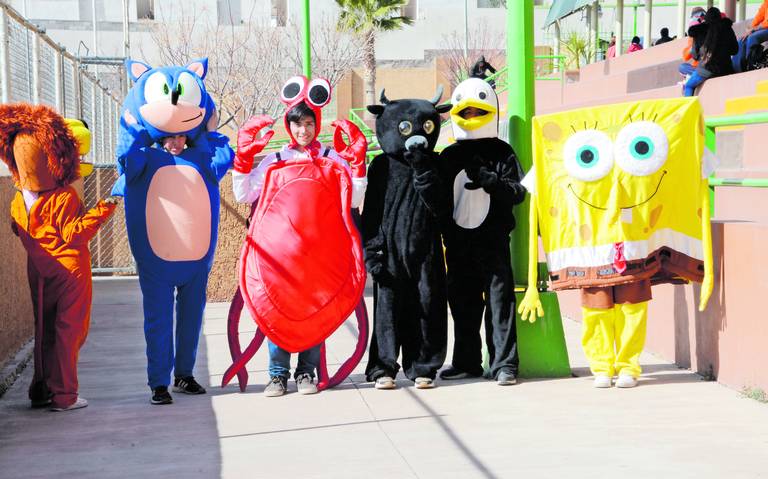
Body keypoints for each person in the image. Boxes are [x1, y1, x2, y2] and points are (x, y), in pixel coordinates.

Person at [113, 58, 235, 406]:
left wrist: (210, 131)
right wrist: (133, 124)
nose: (176, 142)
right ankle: (158, 383)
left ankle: (184, 374)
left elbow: (224, 156)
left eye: (181, 135)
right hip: (157, 259)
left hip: (196, 258)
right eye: (169, 135)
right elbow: (126, 154)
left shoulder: (202, 159)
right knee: (158, 321)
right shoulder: (145, 160)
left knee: (191, 318)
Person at [232, 88, 367, 397]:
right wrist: (243, 159)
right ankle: (277, 375)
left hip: (320, 255)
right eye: (296, 124)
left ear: (316, 123)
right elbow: (244, 195)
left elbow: (355, 199)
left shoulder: (333, 158)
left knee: (314, 310)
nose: (302, 130)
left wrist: (358, 164)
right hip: (280, 257)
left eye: (308, 123)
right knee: (277, 311)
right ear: (288, 126)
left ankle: (307, 372)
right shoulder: (276, 159)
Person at [0, 104, 117, 411]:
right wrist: (106, 207)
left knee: (44, 330)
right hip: (70, 272)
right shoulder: (64, 197)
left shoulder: (17, 201)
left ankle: (41, 389)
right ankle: (65, 395)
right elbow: (75, 233)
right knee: (69, 331)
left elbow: (17, 229)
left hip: (38, 271)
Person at [437, 78, 526, 386]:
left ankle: (504, 363)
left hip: (493, 241)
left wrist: (492, 181)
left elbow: (518, 193)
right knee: (462, 304)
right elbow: (437, 201)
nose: (472, 118)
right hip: (458, 244)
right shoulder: (447, 156)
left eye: (478, 112)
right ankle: (466, 361)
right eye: (467, 112)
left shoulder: (503, 152)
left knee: (500, 304)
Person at [683, 7, 738, 97]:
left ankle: (689, 109)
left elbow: (695, 55)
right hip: (726, 69)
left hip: (706, 70)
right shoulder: (727, 28)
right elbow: (735, 50)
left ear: (706, 18)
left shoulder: (699, 30)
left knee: (688, 86)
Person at [732, 0, 768, 72]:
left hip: (766, 27)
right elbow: (759, 15)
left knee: (752, 38)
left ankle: (751, 66)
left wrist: (754, 29)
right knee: (741, 40)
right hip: (765, 27)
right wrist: (751, 28)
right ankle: (737, 70)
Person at [679, 8, 707, 80]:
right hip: (699, 67)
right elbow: (685, 56)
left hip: (708, 66)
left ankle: (696, 75)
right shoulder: (693, 36)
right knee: (682, 67)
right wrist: (693, 47)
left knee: (683, 68)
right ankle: (696, 75)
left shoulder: (710, 31)